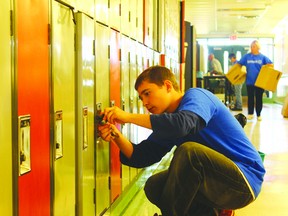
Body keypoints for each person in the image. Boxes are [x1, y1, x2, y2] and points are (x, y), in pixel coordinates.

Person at [97, 65, 265, 216]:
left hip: (244, 180)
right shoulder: (170, 122)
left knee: (190, 152)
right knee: (155, 185)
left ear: (168, 86)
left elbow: (181, 125)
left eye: (147, 93)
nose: (145, 103)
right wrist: (115, 135)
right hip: (218, 181)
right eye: (141, 98)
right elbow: (141, 156)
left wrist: (128, 117)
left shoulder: (197, 97)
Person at [236, 40, 273, 121]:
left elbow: (271, 64)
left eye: (254, 46)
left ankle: (259, 114)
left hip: (260, 82)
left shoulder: (262, 57)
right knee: (250, 98)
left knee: (259, 98)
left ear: (258, 47)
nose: (252, 48)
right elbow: (239, 64)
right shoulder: (247, 56)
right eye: (251, 46)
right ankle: (250, 114)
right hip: (250, 81)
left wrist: (267, 68)